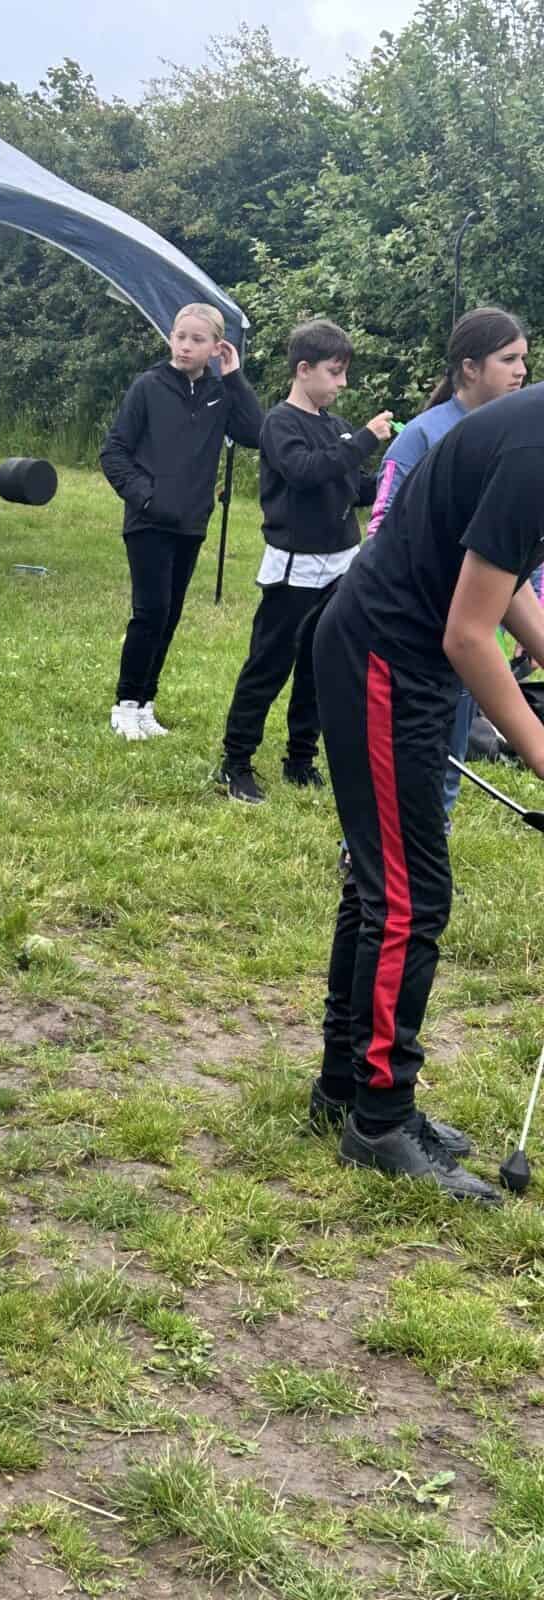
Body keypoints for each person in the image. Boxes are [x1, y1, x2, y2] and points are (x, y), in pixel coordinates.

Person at [308, 382, 544, 1204]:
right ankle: (380, 1121)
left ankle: (344, 1087)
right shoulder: (535, 451)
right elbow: (469, 635)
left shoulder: (531, 433)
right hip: (385, 658)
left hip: (398, 658)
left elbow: (502, 580)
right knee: (409, 897)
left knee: (384, 886)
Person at [217, 320, 392, 802]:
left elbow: (354, 488)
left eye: (344, 373)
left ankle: (300, 759)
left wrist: (399, 474)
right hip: (294, 569)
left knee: (322, 665)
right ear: (303, 369)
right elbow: (304, 471)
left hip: (342, 566)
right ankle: (235, 763)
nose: (343, 383)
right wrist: (364, 440)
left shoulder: (336, 427)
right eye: (335, 372)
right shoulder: (280, 424)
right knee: (269, 666)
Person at [368, 308, 528, 821]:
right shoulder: (422, 435)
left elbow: (519, 543)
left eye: (524, 359)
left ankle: (435, 839)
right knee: (402, 756)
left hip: (478, 630)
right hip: (416, 628)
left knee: (452, 751)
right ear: (469, 367)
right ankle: (362, 850)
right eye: (508, 359)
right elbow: (382, 527)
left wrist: (533, 616)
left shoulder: (519, 437)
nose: (521, 371)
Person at [100, 303, 262, 740]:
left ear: (216, 347)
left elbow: (255, 432)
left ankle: (146, 703)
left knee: (170, 614)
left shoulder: (220, 393)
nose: (185, 346)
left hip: (191, 523)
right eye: (180, 336)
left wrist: (234, 377)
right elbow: (113, 452)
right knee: (150, 611)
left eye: (197, 339)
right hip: (148, 522)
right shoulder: (148, 386)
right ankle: (124, 704)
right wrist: (146, 497)